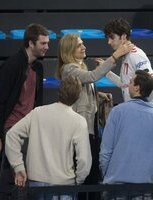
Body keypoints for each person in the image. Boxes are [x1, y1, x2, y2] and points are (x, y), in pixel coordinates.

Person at [56, 33, 133, 200]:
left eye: (83, 44)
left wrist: (100, 95)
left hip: (90, 131)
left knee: (92, 177)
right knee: (86, 179)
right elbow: (91, 77)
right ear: (69, 50)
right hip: (80, 133)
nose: (84, 47)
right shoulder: (69, 69)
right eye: (79, 45)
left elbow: (81, 94)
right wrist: (115, 56)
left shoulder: (80, 67)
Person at [0, 23, 49, 200]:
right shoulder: (11, 66)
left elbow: (37, 102)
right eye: (43, 43)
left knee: (11, 175)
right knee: (16, 174)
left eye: (47, 43)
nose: (47, 47)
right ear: (30, 44)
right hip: (11, 128)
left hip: (28, 127)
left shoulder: (38, 68)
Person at [5, 75, 92, 200]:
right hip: (63, 186)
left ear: (59, 91)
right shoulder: (79, 121)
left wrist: (18, 166)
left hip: (36, 183)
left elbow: (11, 135)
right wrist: (78, 180)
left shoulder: (38, 112)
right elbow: (84, 159)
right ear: (78, 96)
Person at [99, 70, 153, 200]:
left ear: (137, 87)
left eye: (130, 82)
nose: (127, 85)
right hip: (145, 186)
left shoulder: (117, 112)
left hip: (116, 186)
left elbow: (105, 150)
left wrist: (108, 175)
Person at [104, 18, 153, 102]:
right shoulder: (126, 56)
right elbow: (124, 84)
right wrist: (106, 72)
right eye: (108, 38)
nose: (109, 42)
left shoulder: (136, 55)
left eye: (112, 37)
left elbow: (149, 83)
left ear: (123, 36)